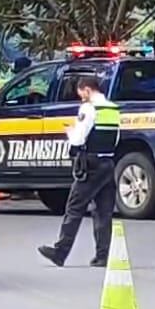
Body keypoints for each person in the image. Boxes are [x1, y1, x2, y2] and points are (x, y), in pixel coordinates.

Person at [38, 76, 120, 268]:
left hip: (90, 165)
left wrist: (70, 132)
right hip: (108, 162)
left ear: (87, 89)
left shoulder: (89, 108)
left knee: (74, 208)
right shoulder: (113, 109)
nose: (81, 97)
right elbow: (116, 138)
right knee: (103, 212)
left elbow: (78, 138)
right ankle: (102, 256)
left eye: (81, 93)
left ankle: (60, 252)